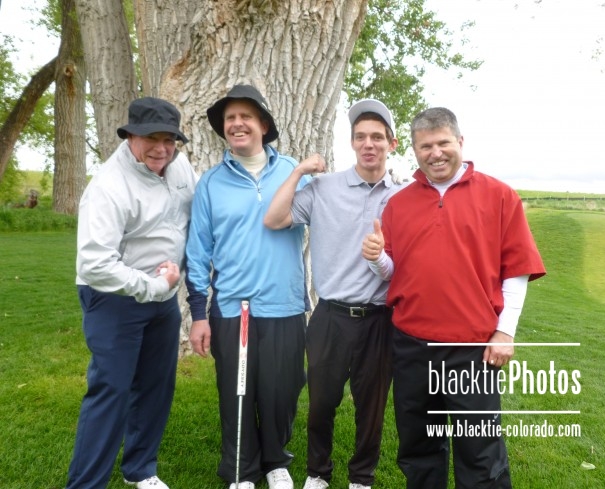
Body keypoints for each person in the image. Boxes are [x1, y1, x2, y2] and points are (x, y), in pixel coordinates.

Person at [362, 107, 547, 489]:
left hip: (472, 348)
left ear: (460, 142)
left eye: (443, 143)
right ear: (414, 150)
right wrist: (377, 257)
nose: (435, 153)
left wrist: (505, 332)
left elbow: (517, 270)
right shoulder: (399, 203)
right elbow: (394, 272)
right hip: (411, 345)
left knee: (479, 451)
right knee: (418, 447)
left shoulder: (499, 196)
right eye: (425, 146)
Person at [264, 99, 402, 489]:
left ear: (391, 144)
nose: (368, 144)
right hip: (330, 316)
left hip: (379, 319)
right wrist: (298, 171)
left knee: (371, 407)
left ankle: (361, 478)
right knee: (322, 403)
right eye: (361, 137)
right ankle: (318, 473)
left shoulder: (403, 196)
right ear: (352, 142)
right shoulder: (323, 188)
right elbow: (274, 219)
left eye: (377, 137)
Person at [67, 97, 198, 489]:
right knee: (112, 390)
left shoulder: (180, 167)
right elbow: (96, 264)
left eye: (169, 140)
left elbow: (193, 215)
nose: (161, 149)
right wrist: (155, 285)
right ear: (130, 137)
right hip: (114, 298)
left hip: (163, 299)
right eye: (151, 139)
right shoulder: (108, 186)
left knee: (156, 387)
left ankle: (140, 469)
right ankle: (86, 485)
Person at [185, 84, 312, 489]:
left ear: (264, 125)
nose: (237, 124)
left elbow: (329, 222)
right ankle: (241, 469)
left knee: (282, 391)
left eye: (245, 117)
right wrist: (199, 315)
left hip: (285, 303)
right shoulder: (210, 183)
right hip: (233, 309)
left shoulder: (294, 172)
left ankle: (276, 461)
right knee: (237, 393)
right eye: (230, 118)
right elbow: (197, 252)